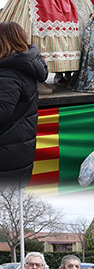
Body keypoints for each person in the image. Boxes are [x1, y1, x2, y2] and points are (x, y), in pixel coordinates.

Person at [0, 21, 48, 184]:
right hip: (16, 152)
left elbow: (2, 113)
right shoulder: (23, 67)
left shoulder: (7, 74)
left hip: (6, 157)